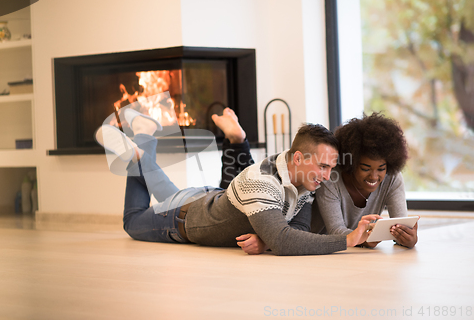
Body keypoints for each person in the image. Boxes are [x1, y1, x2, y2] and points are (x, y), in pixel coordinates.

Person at [95, 107, 380, 256]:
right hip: (183, 221)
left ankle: (144, 139)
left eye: (331, 167)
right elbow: (284, 240)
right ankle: (138, 152)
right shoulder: (263, 181)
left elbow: (298, 228)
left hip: (205, 200)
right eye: (323, 165)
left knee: (169, 193)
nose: (329, 174)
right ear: (299, 159)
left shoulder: (302, 180)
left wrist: (267, 240)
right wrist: (347, 240)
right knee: (132, 221)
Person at [312, 112, 419, 248]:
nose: (374, 176)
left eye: (381, 169)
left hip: (358, 256)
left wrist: (406, 237)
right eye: (365, 168)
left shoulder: (392, 178)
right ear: (351, 163)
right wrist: (364, 239)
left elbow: (400, 224)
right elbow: (335, 232)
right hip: (321, 251)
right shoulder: (330, 178)